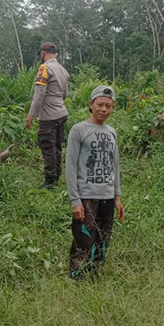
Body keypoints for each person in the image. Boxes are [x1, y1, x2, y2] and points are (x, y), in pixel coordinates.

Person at [65, 85, 126, 279]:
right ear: (91, 104)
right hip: (86, 196)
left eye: (108, 106)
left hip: (107, 196)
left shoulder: (112, 132)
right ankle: (76, 276)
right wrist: (75, 200)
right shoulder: (79, 130)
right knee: (84, 237)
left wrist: (117, 197)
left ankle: (93, 274)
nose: (103, 109)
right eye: (100, 104)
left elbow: (115, 165)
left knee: (103, 238)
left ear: (113, 107)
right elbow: (70, 167)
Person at [26, 41, 70, 189]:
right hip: (61, 113)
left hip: (48, 116)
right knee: (57, 147)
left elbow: (39, 93)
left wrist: (31, 114)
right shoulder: (63, 70)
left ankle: (50, 182)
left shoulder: (44, 68)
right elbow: (65, 94)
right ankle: (56, 176)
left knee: (48, 147)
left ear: (43, 53)